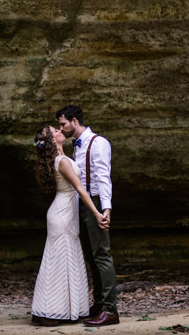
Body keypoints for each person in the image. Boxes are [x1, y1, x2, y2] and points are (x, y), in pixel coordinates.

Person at [30, 124, 110, 327]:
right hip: (63, 214)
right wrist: (97, 212)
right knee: (61, 261)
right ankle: (52, 309)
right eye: (54, 131)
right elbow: (81, 190)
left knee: (65, 259)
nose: (59, 131)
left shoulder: (61, 158)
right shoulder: (63, 161)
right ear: (51, 141)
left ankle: (65, 308)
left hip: (64, 211)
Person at [56, 104, 118, 327]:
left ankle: (111, 310)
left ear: (74, 121)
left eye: (63, 124)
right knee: (91, 257)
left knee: (102, 254)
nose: (61, 129)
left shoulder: (98, 142)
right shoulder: (76, 146)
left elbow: (103, 177)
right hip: (82, 205)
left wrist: (106, 209)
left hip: (97, 203)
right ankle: (100, 304)